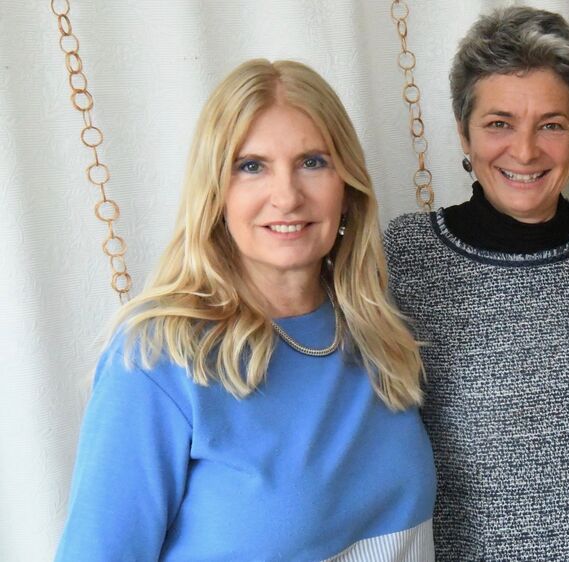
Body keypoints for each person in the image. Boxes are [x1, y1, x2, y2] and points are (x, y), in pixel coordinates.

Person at [55, 59, 435, 561]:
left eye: (313, 162)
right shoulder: (158, 357)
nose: (287, 196)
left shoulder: (380, 329)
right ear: (215, 193)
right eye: (251, 166)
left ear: (347, 188)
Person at [384, 6, 569, 560]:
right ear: (463, 133)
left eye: (551, 125)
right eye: (499, 123)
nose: (526, 150)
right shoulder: (409, 253)